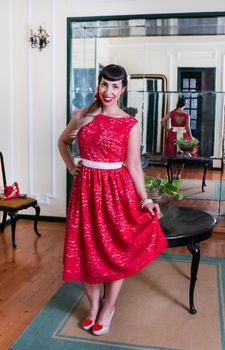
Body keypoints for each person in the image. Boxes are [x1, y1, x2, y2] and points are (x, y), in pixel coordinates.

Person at [58, 64, 167, 336]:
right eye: (105, 84)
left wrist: (144, 200)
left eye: (115, 86)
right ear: (99, 85)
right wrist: (73, 167)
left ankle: (109, 307)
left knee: (113, 249)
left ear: (123, 90)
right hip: (84, 192)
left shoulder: (129, 123)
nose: (109, 91)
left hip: (116, 193)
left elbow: (133, 165)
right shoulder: (82, 115)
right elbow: (62, 142)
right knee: (85, 249)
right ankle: (94, 306)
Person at [161, 97, 197, 179]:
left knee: (172, 155)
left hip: (172, 134)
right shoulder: (186, 115)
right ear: (184, 104)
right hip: (183, 135)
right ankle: (179, 174)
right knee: (183, 155)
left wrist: (167, 129)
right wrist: (191, 137)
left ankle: (173, 173)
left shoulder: (172, 113)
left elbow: (162, 121)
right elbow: (187, 127)